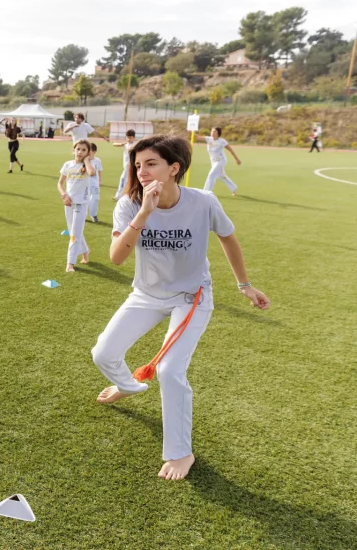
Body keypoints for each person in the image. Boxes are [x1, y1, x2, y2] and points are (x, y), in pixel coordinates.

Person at [91, 135, 270, 481]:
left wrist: (245, 286)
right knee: (102, 353)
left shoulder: (203, 202)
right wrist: (144, 211)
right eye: (138, 164)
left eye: (151, 163)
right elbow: (116, 258)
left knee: (170, 371)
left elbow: (228, 238)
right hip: (146, 294)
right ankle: (128, 385)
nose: (141, 171)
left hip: (191, 296)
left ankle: (180, 452)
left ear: (174, 168)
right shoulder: (129, 204)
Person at [58, 141, 96, 271]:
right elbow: (60, 183)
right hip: (68, 203)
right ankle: (85, 252)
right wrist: (64, 195)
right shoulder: (67, 164)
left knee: (74, 233)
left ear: (88, 153)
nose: (80, 152)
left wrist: (86, 161)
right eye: (78, 149)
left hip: (81, 204)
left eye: (83, 150)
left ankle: (70, 264)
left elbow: (91, 173)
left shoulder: (88, 165)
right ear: (73, 150)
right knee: (75, 232)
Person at [196, 127, 240, 195]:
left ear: (218, 133)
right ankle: (234, 188)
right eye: (212, 131)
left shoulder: (222, 141)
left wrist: (236, 159)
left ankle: (206, 192)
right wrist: (191, 132)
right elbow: (197, 137)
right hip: (213, 161)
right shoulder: (209, 139)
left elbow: (230, 150)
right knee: (222, 176)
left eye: (214, 132)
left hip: (220, 161)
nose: (212, 133)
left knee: (211, 175)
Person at [112, 129, 135, 201]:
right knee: (128, 181)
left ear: (133, 137)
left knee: (123, 180)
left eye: (130, 137)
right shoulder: (126, 144)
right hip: (126, 166)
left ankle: (118, 195)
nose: (128, 139)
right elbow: (114, 144)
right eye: (127, 137)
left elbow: (130, 149)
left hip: (129, 166)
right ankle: (128, 194)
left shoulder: (133, 145)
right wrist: (122, 144)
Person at [88, 143, 103, 223]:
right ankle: (81, 214)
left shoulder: (97, 160)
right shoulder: (84, 160)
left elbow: (99, 170)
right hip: (85, 183)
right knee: (84, 198)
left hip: (94, 182)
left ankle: (93, 214)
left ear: (94, 152)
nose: (88, 153)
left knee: (96, 198)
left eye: (90, 151)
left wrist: (99, 180)